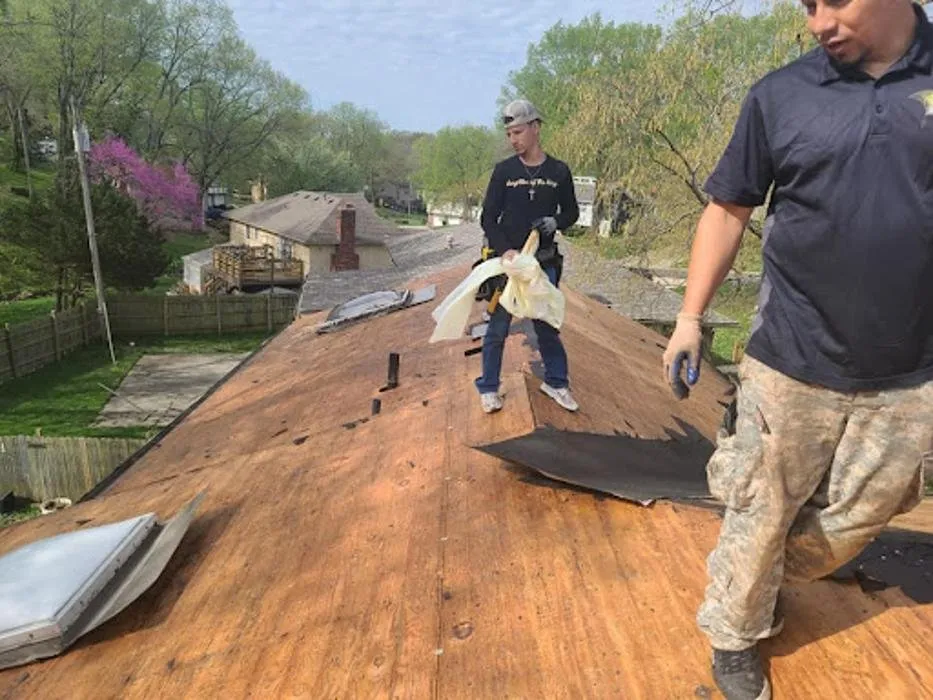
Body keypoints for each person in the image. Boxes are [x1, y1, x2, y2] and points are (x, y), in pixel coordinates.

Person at [661, 2, 933, 698]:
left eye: (834, 2)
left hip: (910, 369)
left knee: (865, 511)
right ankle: (734, 632)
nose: (818, 22)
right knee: (761, 503)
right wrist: (689, 318)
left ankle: (762, 571)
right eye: (807, 6)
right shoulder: (779, 95)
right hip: (790, 354)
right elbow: (726, 208)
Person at [477, 99, 580, 414]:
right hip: (507, 263)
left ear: (536, 128)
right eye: (509, 134)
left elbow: (572, 211)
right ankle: (489, 388)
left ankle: (557, 383)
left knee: (547, 325)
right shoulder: (504, 172)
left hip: (542, 262)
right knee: (497, 327)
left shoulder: (558, 172)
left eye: (518, 132)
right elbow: (488, 218)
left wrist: (557, 222)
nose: (513, 140)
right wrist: (505, 249)